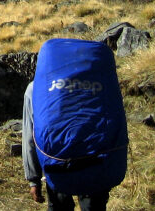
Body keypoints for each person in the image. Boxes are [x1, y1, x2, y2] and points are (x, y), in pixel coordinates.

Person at [22, 81, 111, 211]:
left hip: (57, 165)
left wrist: (33, 179)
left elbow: (31, 137)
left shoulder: (37, 87)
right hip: (93, 163)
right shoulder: (95, 81)